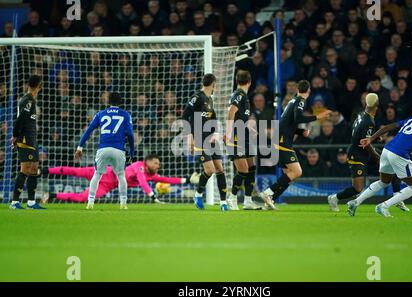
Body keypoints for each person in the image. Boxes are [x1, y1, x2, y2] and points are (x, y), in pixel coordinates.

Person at [349, 105, 412, 217]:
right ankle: (383, 206)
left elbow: (388, 127)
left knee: (383, 182)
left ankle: (356, 202)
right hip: (399, 154)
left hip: (386, 150)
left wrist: (371, 138)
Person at [258, 80, 331, 209]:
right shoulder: (300, 101)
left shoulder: (292, 101)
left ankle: (271, 201)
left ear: (298, 90)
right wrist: (318, 117)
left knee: (290, 176)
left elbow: (287, 123)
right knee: (297, 172)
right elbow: (297, 118)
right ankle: (267, 193)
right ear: (308, 92)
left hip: (279, 139)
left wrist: (300, 131)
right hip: (282, 141)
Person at [41, 154, 195, 203]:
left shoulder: (152, 175)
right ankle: (45, 170)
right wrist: (152, 196)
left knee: (83, 198)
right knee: (75, 171)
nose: (158, 166)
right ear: (147, 161)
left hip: (108, 186)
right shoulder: (139, 166)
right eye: (155, 163)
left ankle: (52, 195)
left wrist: (186, 180)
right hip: (103, 172)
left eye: (158, 164)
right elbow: (141, 180)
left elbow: (167, 180)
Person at [72, 92, 134, 210]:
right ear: (120, 102)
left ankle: (90, 202)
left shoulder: (100, 114)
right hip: (119, 149)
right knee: (121, 175)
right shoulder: (126, 115)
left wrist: (80, 147)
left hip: (103, 148)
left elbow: (88, 131)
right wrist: (132, 151)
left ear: (108, 102)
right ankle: (123, 204)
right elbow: (130, 134)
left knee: (97, 174)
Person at [181, 73, 228, 211]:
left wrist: (216, 133)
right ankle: (198, 194)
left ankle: (223, 203)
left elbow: (213, 118)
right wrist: (189, 138)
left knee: (220, 168)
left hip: (210, 139)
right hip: (199, 139)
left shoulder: (209, 100)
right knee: (210, 169)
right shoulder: (197, 97)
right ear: (214, 83)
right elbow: (185, 116)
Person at [225, 70, 261, 210]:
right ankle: (232, 198)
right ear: (250, 82)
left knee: (251, 167)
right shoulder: (238, 95)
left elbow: (240, 116)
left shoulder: (244, 96)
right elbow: (231, 112)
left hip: (244, 135)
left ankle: (248, 200)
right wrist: (228, 133)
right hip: (236, 137)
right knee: (243, 170)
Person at [10, 75, 45, 210]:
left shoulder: (32, 100)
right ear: (39, 86)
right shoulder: (27, 100)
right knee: (25, 169)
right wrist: (15, 136)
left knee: (34, 169)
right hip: (25, 139)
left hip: (32, 139)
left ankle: (31, 202)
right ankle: (14, 202)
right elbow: (20, 119)